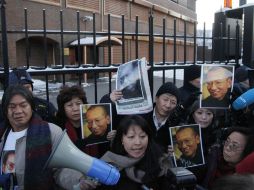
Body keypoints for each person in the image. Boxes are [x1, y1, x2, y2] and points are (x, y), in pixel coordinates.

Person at [0, 85, 93, 190]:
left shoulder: (51, 132)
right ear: (5, 110)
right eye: (12, 107)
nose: (18, 111)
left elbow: (62, 168)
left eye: (23, 105)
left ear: (31, 107)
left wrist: (78, 181)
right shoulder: (2, 134)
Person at [94, 115, 173, 190]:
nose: (138, 142)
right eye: (131, 137)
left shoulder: (160, 162)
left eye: (142, 136)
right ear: (121, 139)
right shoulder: (109, 165)